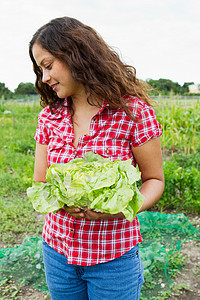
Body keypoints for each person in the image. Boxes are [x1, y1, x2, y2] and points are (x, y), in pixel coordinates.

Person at [29, 16, 165, 300]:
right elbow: (40, 182)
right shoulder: (48, 117)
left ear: (75, 54)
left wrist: (123, 207)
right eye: (40, 70)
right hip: (58, 253)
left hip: (113, 258)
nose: (45, 78)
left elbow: (154, 180)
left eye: (48, 65)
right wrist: (62, 204)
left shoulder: (132, 112)